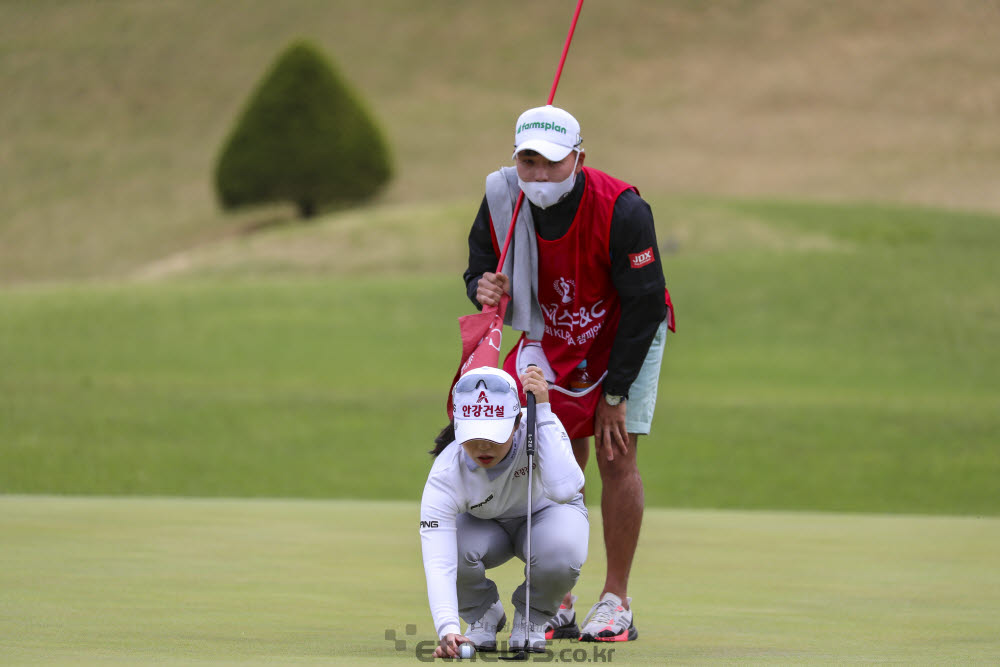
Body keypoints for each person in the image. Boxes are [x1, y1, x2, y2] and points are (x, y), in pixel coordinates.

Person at [463, 105, 674, 642]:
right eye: (528, 161)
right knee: (556, 452)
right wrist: (482, 288)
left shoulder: (623, 209)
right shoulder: (502, 198)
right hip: (553, 333)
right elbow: (480, 268)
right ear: (516, 158)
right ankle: (558, 597)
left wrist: (616, 392)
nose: (539, 175)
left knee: (615, 452)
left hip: (624, 331)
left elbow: (646, 304)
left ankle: (616, 600)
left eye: (552, 163)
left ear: (579, 158)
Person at [421, 366, 587, 658]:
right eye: (474, 435)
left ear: (517, 421)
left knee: (561, 550)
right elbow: (439, 561)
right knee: (453, 548)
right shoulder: (446, 473)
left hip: (545, 514)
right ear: (458, 426)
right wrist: (447, 628)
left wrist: (545, 411)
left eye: (494, 434)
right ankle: (482, 614)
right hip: (484, 526)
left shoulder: (541, 423)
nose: (483, 446)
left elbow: (565, 490)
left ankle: (531, 618)